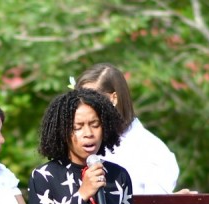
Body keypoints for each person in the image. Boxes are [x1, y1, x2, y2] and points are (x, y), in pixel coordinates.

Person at [76, 62, 182, 194]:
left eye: (91, 100)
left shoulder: (153, 152)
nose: (84, 106)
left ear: (113, 98)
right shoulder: (80, 142)